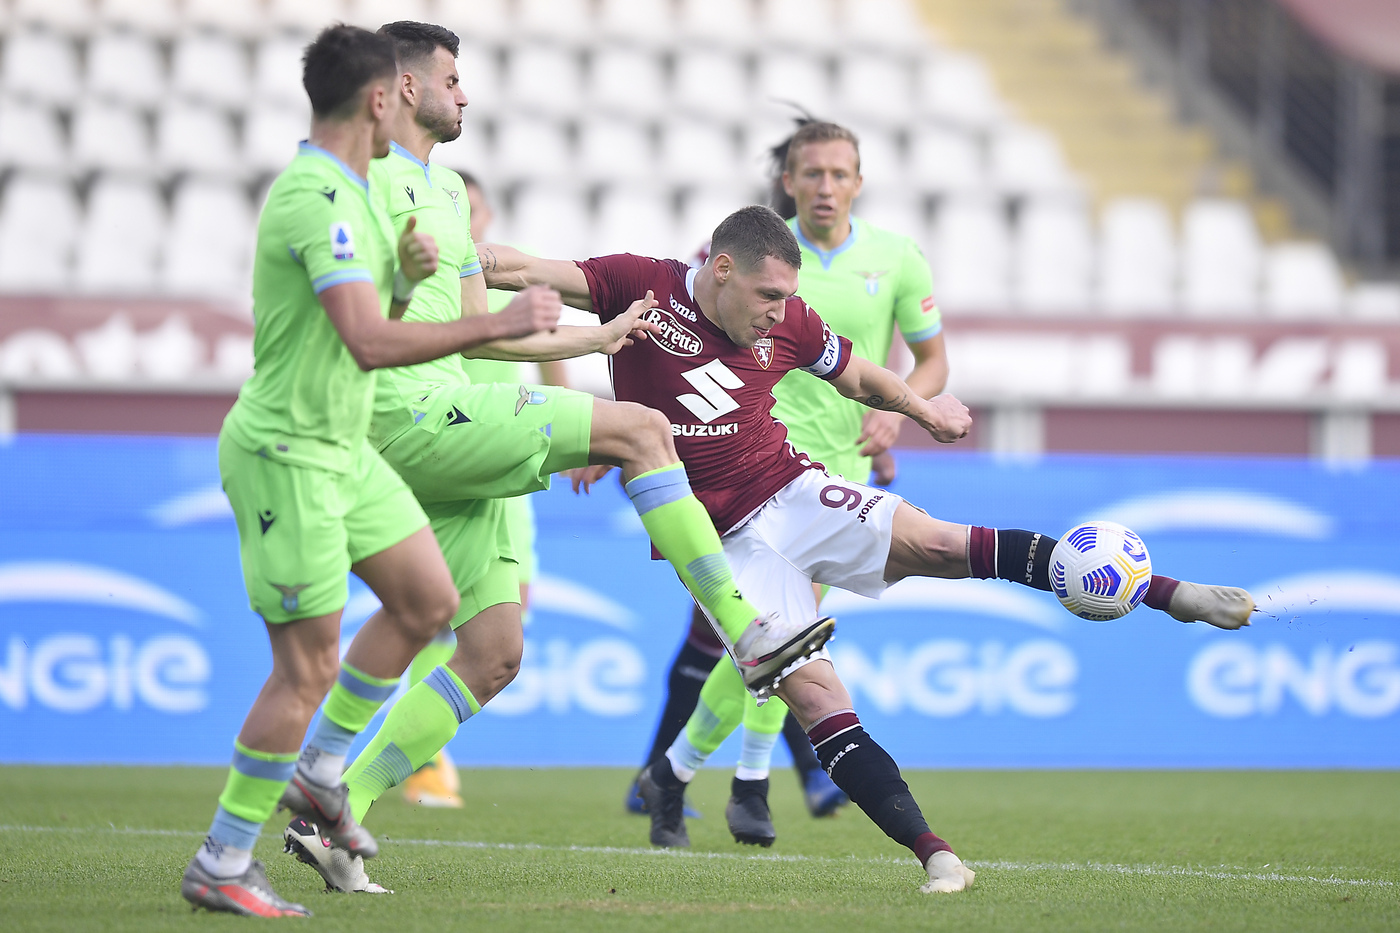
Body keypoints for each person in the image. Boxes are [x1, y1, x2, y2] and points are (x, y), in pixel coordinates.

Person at [481, 204, 1255, 894]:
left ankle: (1165, 593)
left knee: (941, 541)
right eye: (768, 295)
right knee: (816, 696)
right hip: (718, 546)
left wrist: (926, 410)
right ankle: (935, 853)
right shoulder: (638, 284)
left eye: (787, 296)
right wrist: (451, 256)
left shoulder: (790, 323)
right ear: (721, 271)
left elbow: (859, 378)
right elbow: (518, 268)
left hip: (791, 489)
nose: (781, 311)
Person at [279, 22, 830, 895]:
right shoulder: (365, 183)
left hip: (456, 404)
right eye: (453, 79)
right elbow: (369, 317)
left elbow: (480, 335)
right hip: (402, 413)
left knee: (495, 651)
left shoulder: (451, 195)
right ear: (406, 89)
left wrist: (597, 336)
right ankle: (746, 626)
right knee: (641, 428)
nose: (467, 94)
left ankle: (335, 811)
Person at [179, 24, 563, 917]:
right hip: (290, 451)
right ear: (381, 97)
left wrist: (401, 284)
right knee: (305, 671)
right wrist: (494, 327)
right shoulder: (319, 198)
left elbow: (365, 323)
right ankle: (223, 858)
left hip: (346, 447)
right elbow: (366, 341)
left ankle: (319, 775)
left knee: (427, 603)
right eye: (425, 86)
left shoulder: (356, 190)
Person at [627, 119, 953, 837]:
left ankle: (685, 776)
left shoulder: (897, 257)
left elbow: (930, 362)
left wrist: (899, 415)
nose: (826, 187)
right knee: (777, 634)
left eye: (840, 174)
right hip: (748, 471)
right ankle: (742, 783)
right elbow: (671, 339)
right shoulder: (749, 255)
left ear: (859, 182)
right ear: (789, 181)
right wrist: (622, 429)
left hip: (839, 468)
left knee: (775, 637)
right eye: (813, 174)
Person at [393, 172, 571, 810]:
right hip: (451, 450)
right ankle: (425, 764)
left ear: (487, 213)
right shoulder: (436, 288)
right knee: (441, 616)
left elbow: (550, 353)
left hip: (508, 459)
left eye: (471, 207)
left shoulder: (507, 287)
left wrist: (575, 423)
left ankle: (412, 752)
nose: (463, 215)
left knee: (504, 620)